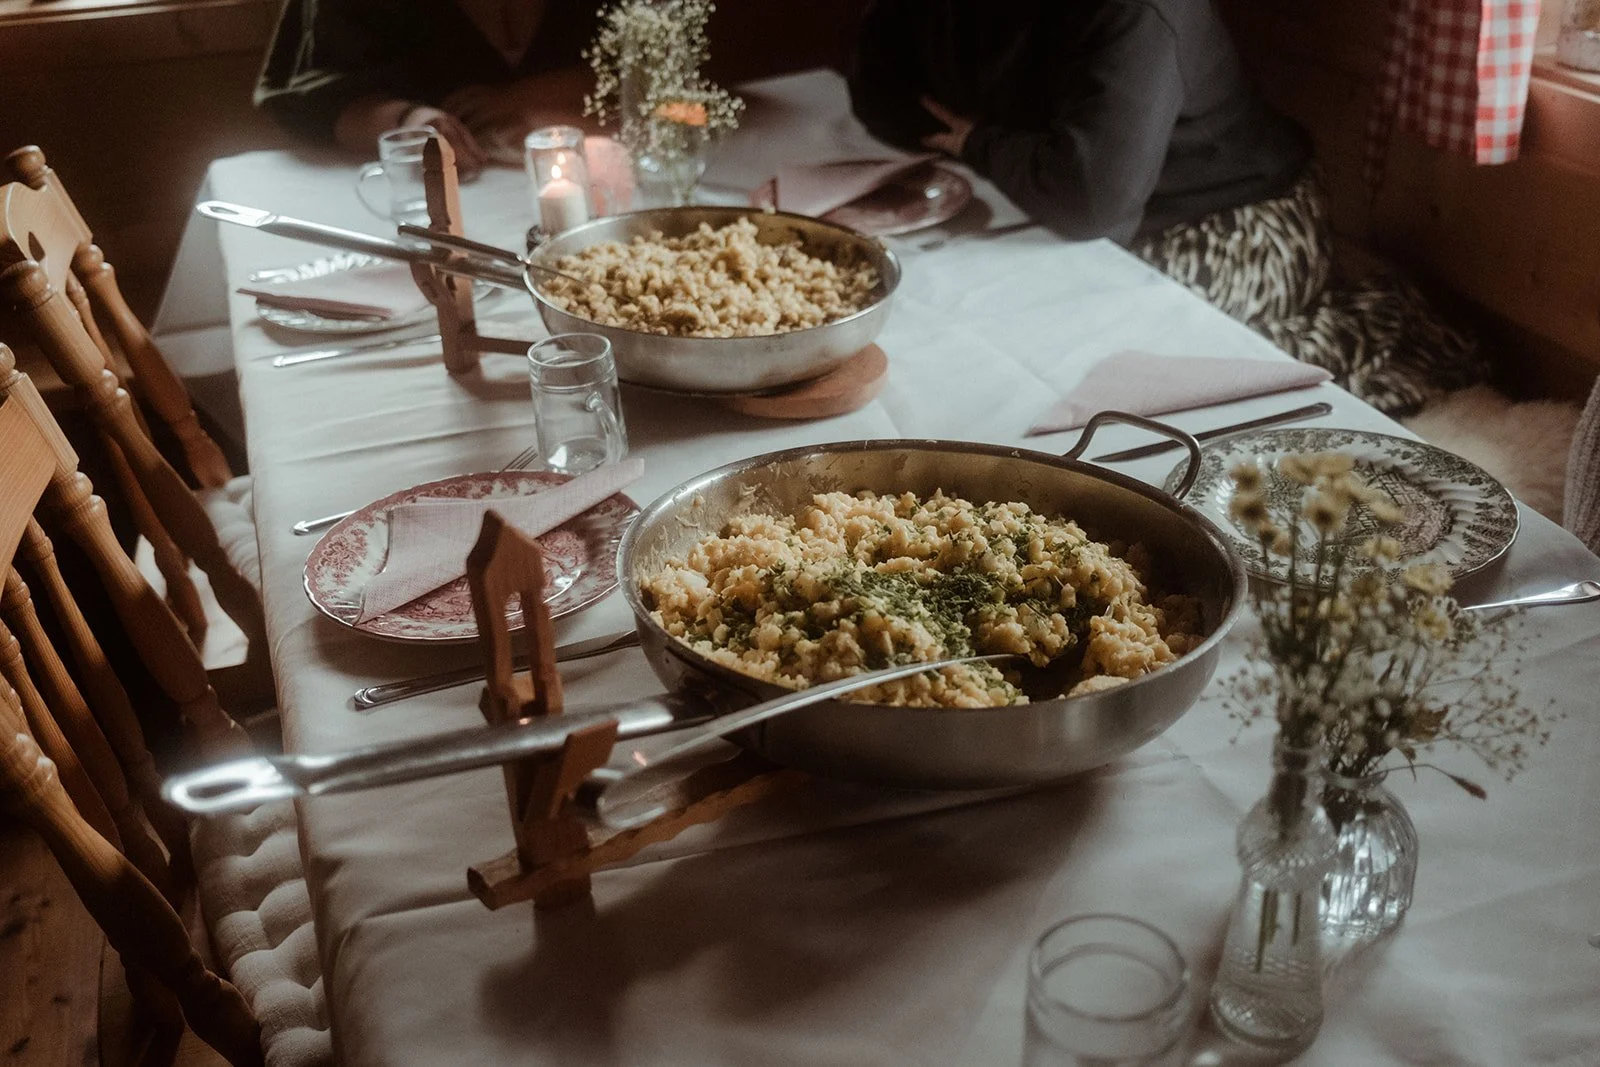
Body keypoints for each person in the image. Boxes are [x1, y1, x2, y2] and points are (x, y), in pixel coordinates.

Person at [848, 0, 1483, 416]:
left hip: (1238, 217)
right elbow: (880, 96)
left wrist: (978, 140)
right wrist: (1026, 156)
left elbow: (1092, 199)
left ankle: (1372, 321)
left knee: (1102, 373)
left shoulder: (1141, 11)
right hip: (1095, 216)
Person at [255, 0, 597, 175]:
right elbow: (311, 100)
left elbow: (640, 65)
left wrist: (529, 95)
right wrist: (407, 121)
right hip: (430, 193)